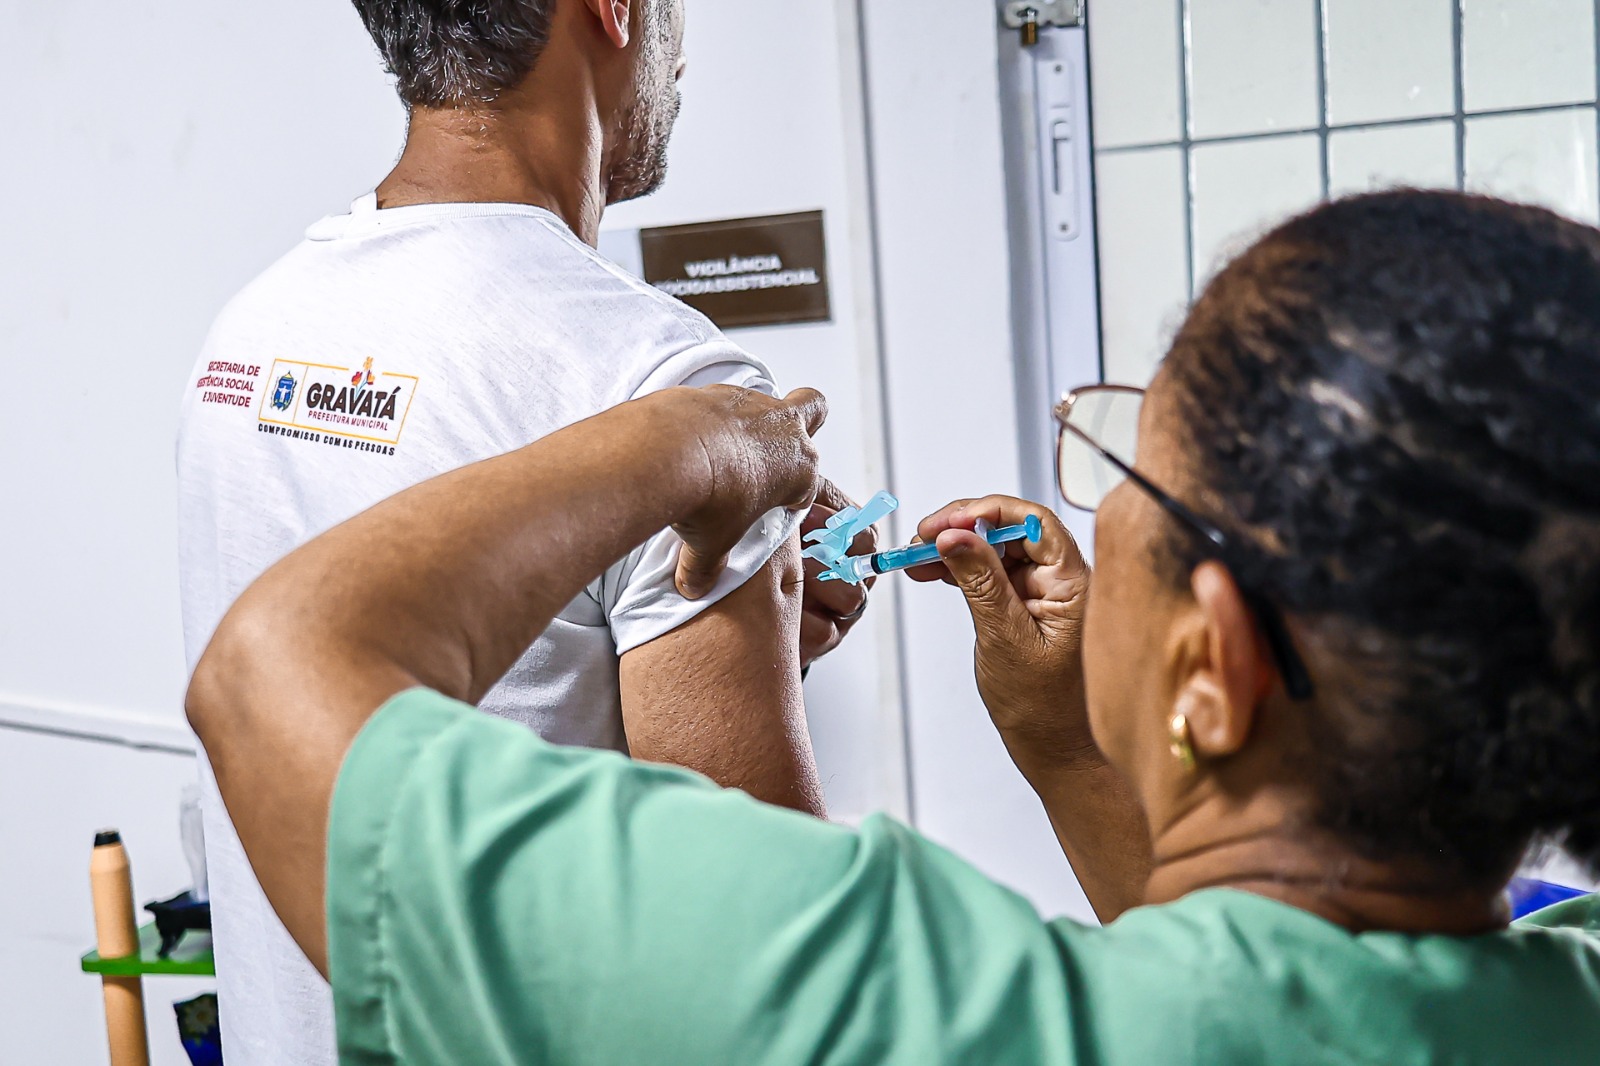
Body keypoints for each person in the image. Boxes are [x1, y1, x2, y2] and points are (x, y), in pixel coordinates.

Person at [190, 190, 1600, 1064]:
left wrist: (681, 444)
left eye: (1133, 470)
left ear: (1213, 663)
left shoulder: (901, 1008)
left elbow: (275, 675)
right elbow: (1274, 985)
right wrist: (1069, 747)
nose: (1096, 503)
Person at [176, 1, 872, 1061]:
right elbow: (772, 963)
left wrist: (755, 627)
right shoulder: (667, 382)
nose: (682, 49)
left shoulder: (248, 334)